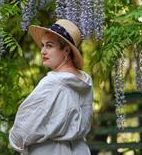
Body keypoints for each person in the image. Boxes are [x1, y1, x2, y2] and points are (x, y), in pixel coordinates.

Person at [9, 19, 93, 155]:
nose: (42, 51)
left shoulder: (53, 83)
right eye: (42, 45)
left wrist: (17, 143)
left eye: (49, 46)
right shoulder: (85, 81)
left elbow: (21, 132)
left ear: (66, 50)